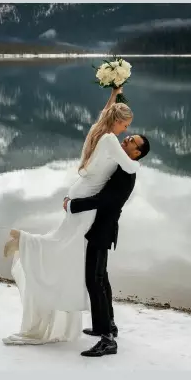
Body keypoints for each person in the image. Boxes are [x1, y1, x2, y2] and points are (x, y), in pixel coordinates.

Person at [2, 87, 140, 345]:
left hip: (77, 192)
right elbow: (130, 165)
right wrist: (138, 158)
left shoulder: (98, 131)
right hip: (83, 202)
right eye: (126, 126)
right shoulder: (110, 140)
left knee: (64, 240)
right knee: (65, 246)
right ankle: (25, 243)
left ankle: (25, 242)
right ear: (117, 121)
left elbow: (103, 114)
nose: (126, 132)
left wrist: (115, 94)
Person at [64, 134, 150, 357]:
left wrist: (74, 205)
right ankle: (108, 326)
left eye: (132, 141)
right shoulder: (124, 167)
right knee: (101, 278)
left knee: (94, 281)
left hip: (103, 229)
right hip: (103, 227)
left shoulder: (127, 172)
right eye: (129, 136)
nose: (127, 139)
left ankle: (107, 339)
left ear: (137, 153)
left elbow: (105, 201)